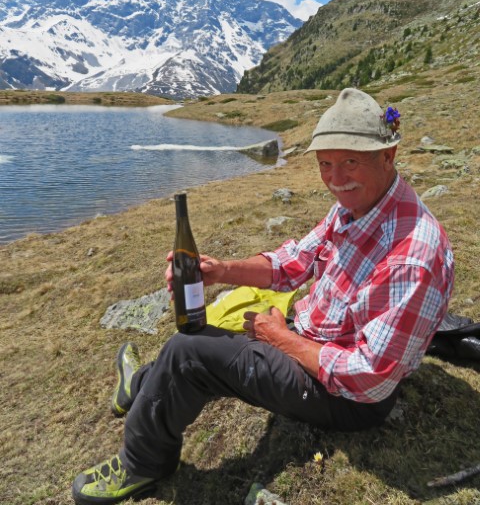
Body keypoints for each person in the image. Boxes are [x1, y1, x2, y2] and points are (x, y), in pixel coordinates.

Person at [72, 88, 454, 505]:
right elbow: (294, 261)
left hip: (345, 397)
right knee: (204, 331)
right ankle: (143, 385)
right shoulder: (357, 206)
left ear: (388, 155)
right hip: (311, 337)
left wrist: (280, 338)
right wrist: (221, 271)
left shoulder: (412, 256)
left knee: (189, 350)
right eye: (325, 164)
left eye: (350, 162)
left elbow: (368, 376)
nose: (335, 179)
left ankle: (143, 465)